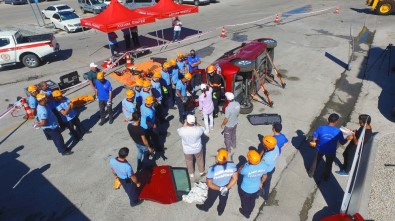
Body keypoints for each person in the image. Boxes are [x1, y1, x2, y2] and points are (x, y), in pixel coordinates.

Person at [308, 113, 352, 181]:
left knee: (316, 161)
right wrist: (347, 138)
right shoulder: (338, 132)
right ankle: (326, 177)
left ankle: (311, 173)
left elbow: (314, 139)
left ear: (328, 119)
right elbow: (342, 142)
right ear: (336, 121)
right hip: (331, 151)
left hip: (320, 149)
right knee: (328, 164)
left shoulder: (320, 128)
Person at [196, 148, 238, 216]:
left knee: (210, 199)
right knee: (223, 200)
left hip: (214, 187)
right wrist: (226, 188)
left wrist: (220, 188)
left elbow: (209, 184)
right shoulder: (232, 166)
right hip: (226, 186)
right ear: (226, 158)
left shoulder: (212, 169)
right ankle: (220, 211)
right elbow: (235, 178)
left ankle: (205, 207)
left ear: (217, 158)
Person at [238, 150, 269, 219]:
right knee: (252, 200)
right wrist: (261, 183)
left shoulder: (246, 168)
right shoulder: (264, 165)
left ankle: (246, 213)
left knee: (245, 202)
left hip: (246, 189)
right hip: (256, 187)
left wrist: (244, 164)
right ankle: (251, 210)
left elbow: (239, 171)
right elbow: (265, 176)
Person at [258, 135, 279, 202]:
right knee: (267, 183)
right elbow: (265, 150)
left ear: (268, 146)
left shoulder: (266, 158)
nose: (263, 144)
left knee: (260, 183)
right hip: (272, 168)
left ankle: (257, 194)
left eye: (264, 144)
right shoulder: (276, 147)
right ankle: (266, 196)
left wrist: (261, 182)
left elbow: (261, 167)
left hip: (266, 172)